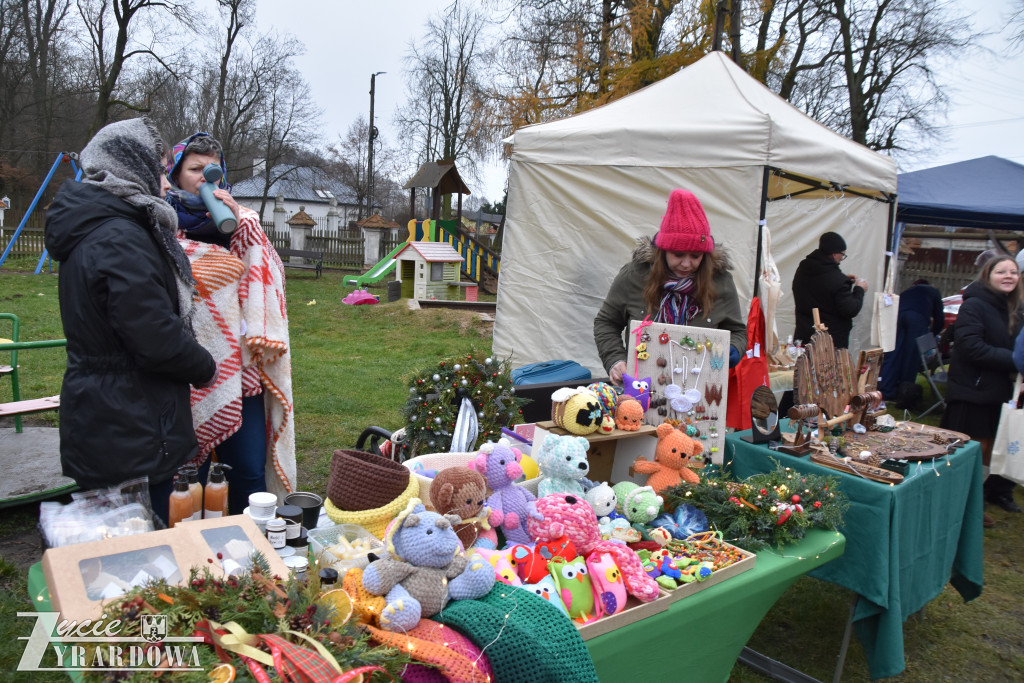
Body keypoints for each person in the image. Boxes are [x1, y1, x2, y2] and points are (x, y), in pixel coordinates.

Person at [43, 118, 217, 524]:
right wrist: (205, 366)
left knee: (115, 547)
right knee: (140, 554)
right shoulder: (120, 236)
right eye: (159, 169)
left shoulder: (96, 224)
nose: (166, 183)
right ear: (131, 166)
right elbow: (152, 334)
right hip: (129, 419)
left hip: (107, 412)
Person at [165, 132, 296, 513]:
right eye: (194, 169)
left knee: (250, 468)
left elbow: (268, 280)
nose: (205, 178)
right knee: (191, 469)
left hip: (242, 370)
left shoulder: (243, 222)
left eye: (213, 171)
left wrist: (243, 227)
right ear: (175, 175)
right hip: (186, 367)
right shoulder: (163, 224)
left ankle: (251, 544)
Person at [594, 188, 746, 385]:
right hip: (642, 387)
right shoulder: (635, 275)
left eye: (695, 256)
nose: (686, 264)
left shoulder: (720, 281)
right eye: (678, 254)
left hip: (701, 388)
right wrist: (615, 359)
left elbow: (738, 332)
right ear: (663, 251)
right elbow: (606, 323)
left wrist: (733, 349)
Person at [941, 256, 1023, 519]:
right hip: (971, 393)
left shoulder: (1011, 307)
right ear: (988, 275)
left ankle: (971, 504)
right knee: (968, 454)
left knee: (987, 455)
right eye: (1001, 271)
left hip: (997, 393)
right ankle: (953, 506)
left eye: (1013, 272)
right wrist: (1014, 361)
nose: (1008, 276)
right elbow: (971, 347)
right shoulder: (974, 305)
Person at [791, 231, 869, 349]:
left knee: (803, 366)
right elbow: (850, 309)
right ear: (834, 254)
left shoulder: (803, 269)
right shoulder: (837, 280)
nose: (842, 258)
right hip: (829, 343)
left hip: (803, 335)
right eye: (842, 255)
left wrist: (843, 282)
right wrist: (859, 289)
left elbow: (820, 287)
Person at [878, 278, 945, 401]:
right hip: (917, 319)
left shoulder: (907, 291)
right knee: (911, 356)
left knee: (893, 353)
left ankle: (886, 390)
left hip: (898, 318)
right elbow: (939, 319)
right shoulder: (934, 292)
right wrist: (932, 334)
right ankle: (905, 393)